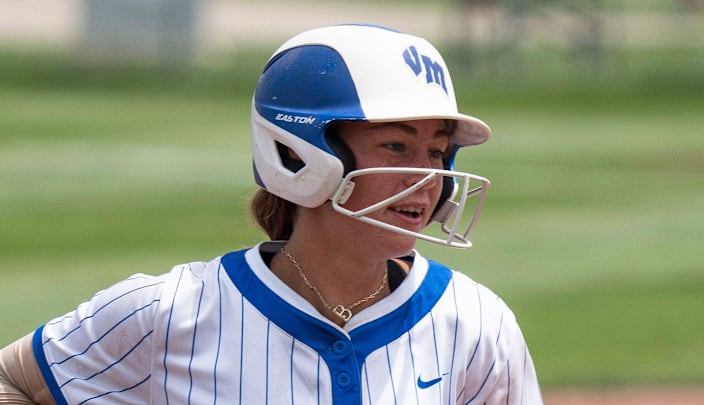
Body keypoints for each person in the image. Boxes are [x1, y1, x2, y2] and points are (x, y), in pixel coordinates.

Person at [0, 24, 543, 404]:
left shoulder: (476, 324)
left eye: (436, 150)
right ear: (297, 151)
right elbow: (12, 381)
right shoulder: (169, 315)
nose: (427, 177)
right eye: (397, 147)